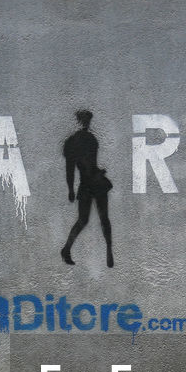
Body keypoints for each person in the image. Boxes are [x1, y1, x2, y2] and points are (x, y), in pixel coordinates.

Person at [60, 109, 114, 268]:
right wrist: (70, 189)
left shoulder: (91, 139)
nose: (86, 123)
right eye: (84, 120)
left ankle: (109, 250)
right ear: (79, 121)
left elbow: (89, 164)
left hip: (96, 182)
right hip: (87, 184)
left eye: (88, 120)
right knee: (83, 220)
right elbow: (70, 168)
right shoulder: (73, 142)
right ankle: (66, 248)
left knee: (104, 219)